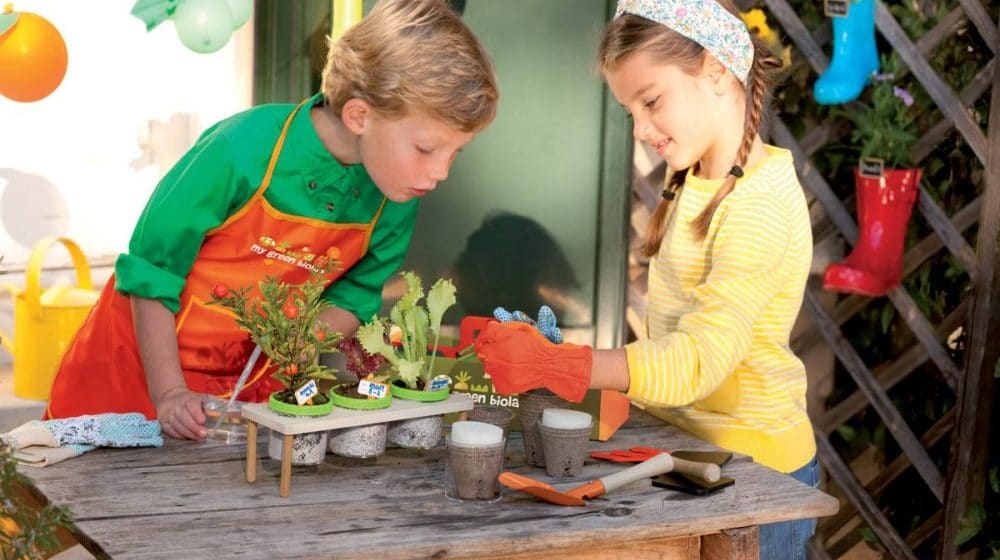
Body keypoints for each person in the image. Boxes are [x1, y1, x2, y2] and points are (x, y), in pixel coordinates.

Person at [46, 0, 498, 443]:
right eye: (426, 149)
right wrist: (169, 392)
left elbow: (355, 297)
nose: (440, 173)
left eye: (456, 152)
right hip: (128, 371)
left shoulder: (396, 195)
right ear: (360, 115)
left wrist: (298, 346)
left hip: (241, 394)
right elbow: (152, 273)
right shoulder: (241, 149)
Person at [473, 0, 817, 557]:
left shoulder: (759, 204)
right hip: (687, 459)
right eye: (630, 110)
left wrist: (567, 365)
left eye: (651, 101)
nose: (641, 130)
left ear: (716, 70)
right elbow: (668, 355)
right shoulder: (696, 179)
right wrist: (559, 355)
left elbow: (698, 362)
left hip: (756, 480)